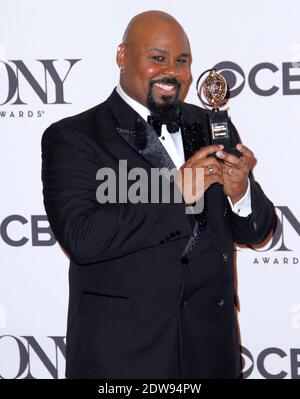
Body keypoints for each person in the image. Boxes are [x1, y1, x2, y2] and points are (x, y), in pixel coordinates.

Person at [41, 10, 276, 379]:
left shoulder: (211, 125)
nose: (173, 71)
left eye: (182, 61)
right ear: (122, 56)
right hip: (122, 357)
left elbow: (257, 231)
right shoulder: (75, 136)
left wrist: (242, 192)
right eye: (158, 58)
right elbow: (81, 238)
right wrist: (174, 193)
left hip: (211, 353)